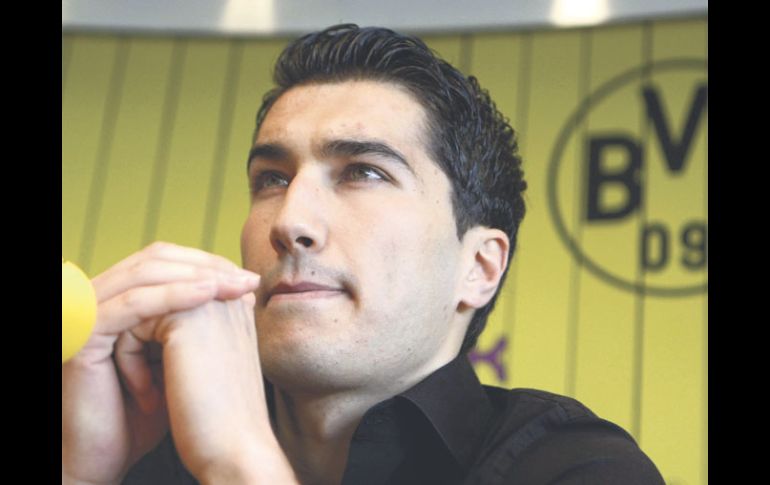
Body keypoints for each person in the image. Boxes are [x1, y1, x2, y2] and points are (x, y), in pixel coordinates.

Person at [62, 24, 664, 485]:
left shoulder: (575, 466)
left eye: (364, 172)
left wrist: (239, 464)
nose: (290, 221)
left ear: (478, 267)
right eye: (272, 179)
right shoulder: (137, 451)